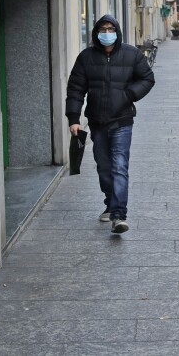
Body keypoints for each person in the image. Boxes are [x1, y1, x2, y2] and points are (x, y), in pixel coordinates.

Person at [66, 14, 155, 234]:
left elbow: (147, 78)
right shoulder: (86, 57)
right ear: (96, 33)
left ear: (117, 31)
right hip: (97, 122)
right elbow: (75, 88)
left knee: (119, 166)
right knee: (104, 167)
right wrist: (74, 119)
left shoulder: (131, 54)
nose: (107, 33)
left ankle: (118, 215)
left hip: (122, 120)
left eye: (110, 29)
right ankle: (110, 202)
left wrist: (128, 95)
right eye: (103, 30)